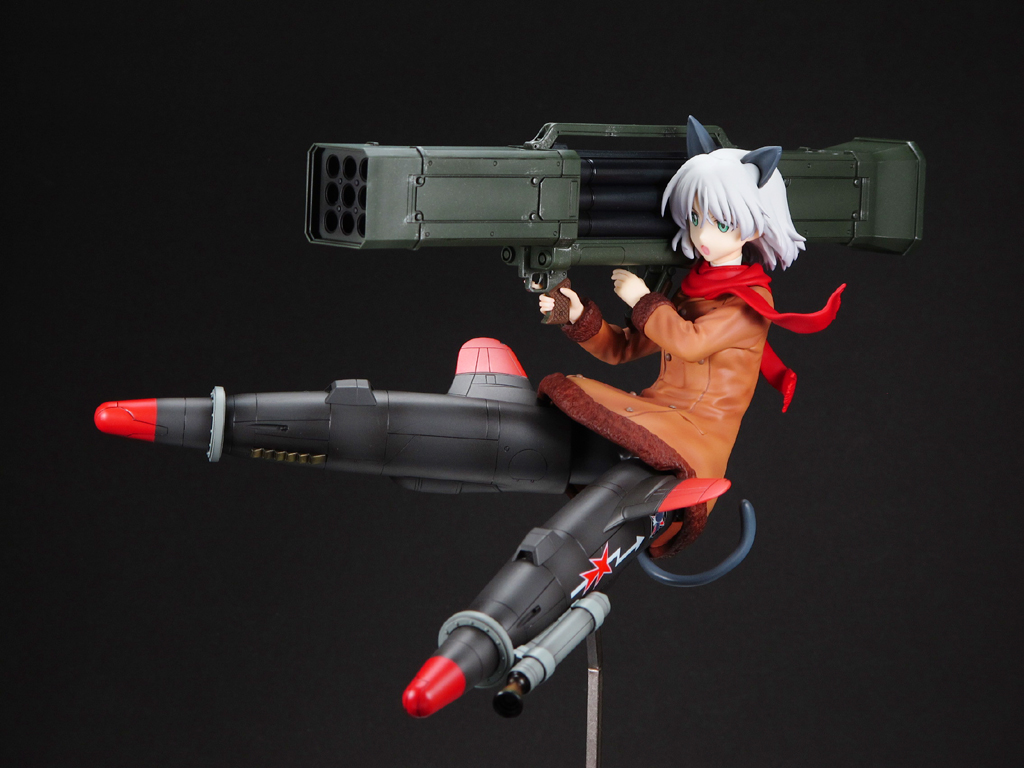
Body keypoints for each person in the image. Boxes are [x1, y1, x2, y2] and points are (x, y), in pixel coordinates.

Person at [537, 115, 844, 558]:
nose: (701, 234)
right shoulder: (694, 288)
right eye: (695, 218)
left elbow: (689, 342)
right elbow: (626, 348)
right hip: (659, 411)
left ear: (754, 225)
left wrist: (644, 300)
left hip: (696, 435)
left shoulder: (749, 303)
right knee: (572, 395)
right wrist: (579, 315)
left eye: (721, 223)